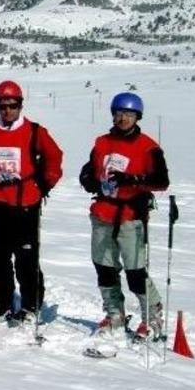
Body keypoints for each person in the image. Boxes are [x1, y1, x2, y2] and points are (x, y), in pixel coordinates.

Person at [79, 92, 169, 340]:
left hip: (131, 215)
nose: (122, 119)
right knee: (105, 267)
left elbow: (162, 181)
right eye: (119, 114)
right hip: (103, 213)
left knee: (135, 270)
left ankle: (152, 316)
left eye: (128, 115)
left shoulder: (148, 147)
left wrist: (133, 180)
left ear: (137, 117)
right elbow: (89, 170)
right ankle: (114, 313)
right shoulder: (101, 142)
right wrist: (88, 180)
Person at [0, 80, 63, 324]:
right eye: (2, 106)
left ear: (20, 105)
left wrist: (44, 185)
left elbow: (54, 158)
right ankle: (2, 301)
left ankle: (30, 305)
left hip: (25, 201)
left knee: (26, 257)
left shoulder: (35, 131)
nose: (7, 111)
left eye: (12, 106)